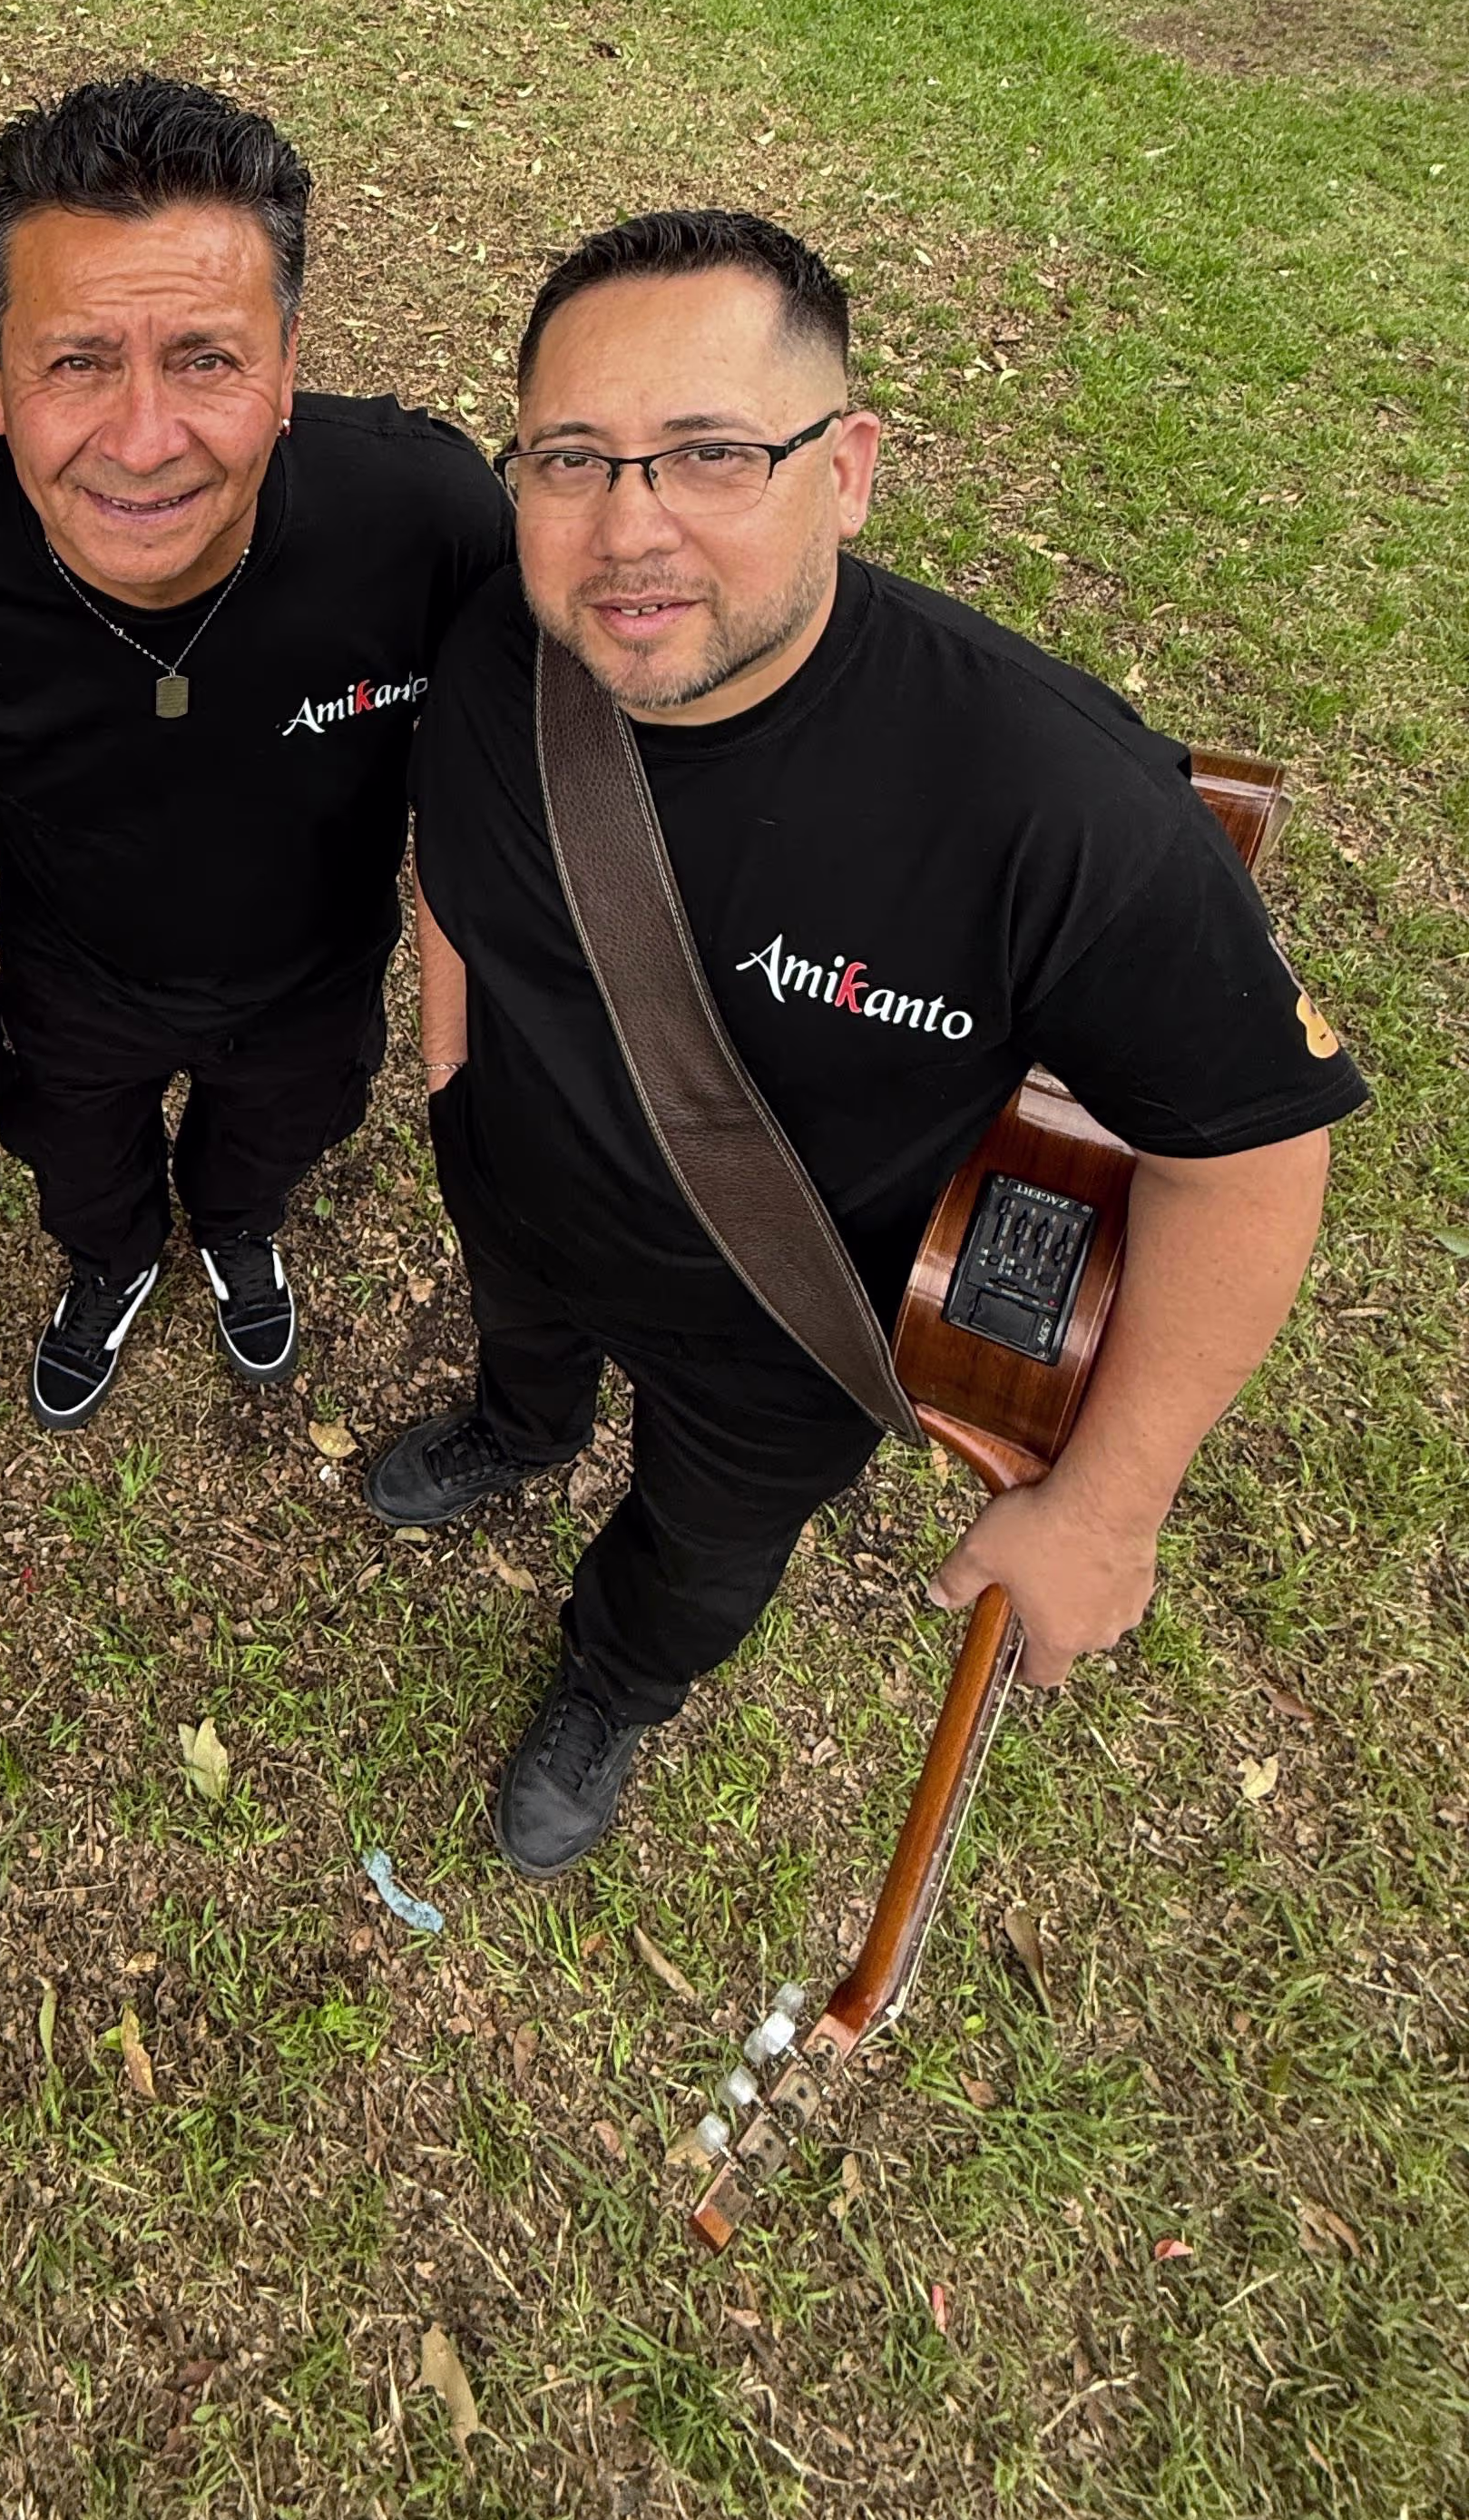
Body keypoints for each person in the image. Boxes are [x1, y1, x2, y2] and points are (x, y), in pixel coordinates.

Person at [379, 206, 1364, 1876]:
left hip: (776, 1327)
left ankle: (615, 1678)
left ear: (845, 468)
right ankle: (521, 1425)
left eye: (708, 453)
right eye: (572, 460)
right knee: (522, 1341)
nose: (630, 532)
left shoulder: (1057, 807)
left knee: (698, 1549)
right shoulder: (497, 650)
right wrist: (452, 1063)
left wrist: (1108, 1510)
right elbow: (456, 869)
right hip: (515, 1180)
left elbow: (1252, 1153)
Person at [0, 74, 510, 1427]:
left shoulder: (425, 521)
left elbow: (499, 792)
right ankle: (111, 1260)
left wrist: (456, 1049)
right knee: (77, 1169)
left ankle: (234, 1232)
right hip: (69, 985)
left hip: (316, 983)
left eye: (205, 357)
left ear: (287, 364)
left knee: (266, 1152)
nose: (144, 444)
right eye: (77, 361)